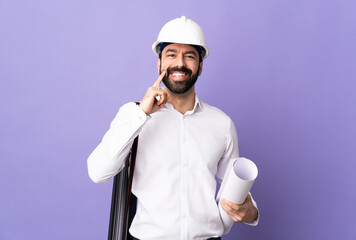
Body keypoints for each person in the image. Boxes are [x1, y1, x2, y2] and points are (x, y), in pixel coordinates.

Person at [88, 16, 259, 240]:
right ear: (159, 63)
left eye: (189, 56)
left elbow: (234, 191)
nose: (180, 63)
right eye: (171, 54)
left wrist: (251, 212)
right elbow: (98, 172)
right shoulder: (133, 115)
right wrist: (141, 115)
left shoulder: (221, 124)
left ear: (200, 67)